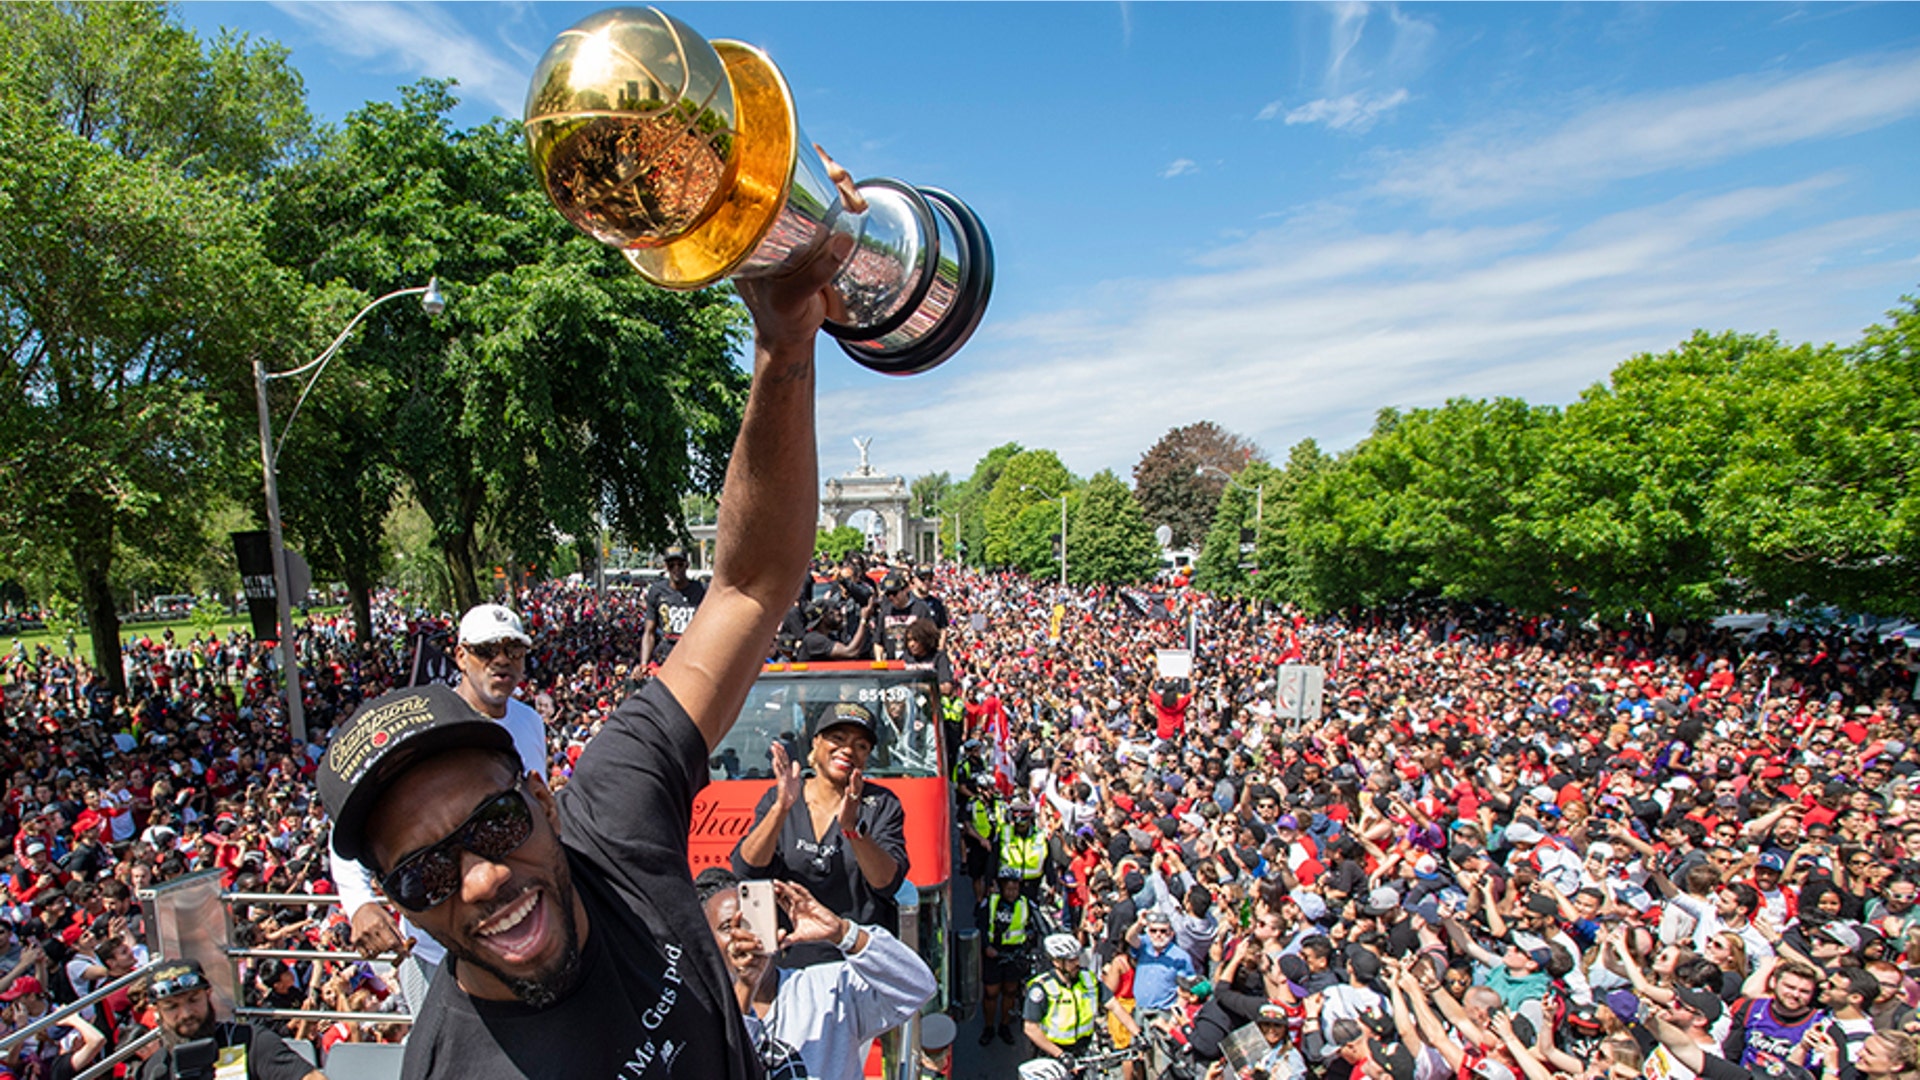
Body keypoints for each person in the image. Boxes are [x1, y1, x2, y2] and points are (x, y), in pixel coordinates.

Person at [315, 197, 856, 1080]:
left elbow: (750, 589)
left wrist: (786, 344)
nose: (482, 881)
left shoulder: (617, 818)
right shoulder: (451, 1070)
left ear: (542, 797)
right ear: (399, 908)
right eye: (425, 876)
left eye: (493, 824)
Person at [329, 602, 548, 1011]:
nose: (502, 661)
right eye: (486, 650)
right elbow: (348, 829)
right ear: (461, 655)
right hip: (439, 951)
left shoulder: (529, 722)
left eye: (514, 651)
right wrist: (360, 904)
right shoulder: (417, 725)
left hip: (517, 931)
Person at [696, 869, 934, 1080]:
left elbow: (917, 986)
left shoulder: (826, 989)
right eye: (728, 927)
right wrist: (746, 988)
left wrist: (844, 933)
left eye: (751, 921)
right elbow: (719, 1064)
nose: (743, 935)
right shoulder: (694, 1011)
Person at [732, 701, 909, 967]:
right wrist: (782, 808)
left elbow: (886, 883)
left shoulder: (883, 804)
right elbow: (746, 867)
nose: (848, 749)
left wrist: (853, 830)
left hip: (859, 965)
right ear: (816, 742)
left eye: (861, 745)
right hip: (789, 964)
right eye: (837, 738)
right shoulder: (780, 797)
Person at [132, 958, 321, 1080]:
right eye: (172, 1007)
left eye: (193, 1000)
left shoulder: (251, 1041)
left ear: (208, 994)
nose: (186, 1013)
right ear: (156, 1011)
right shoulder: (155, 1070)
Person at [980, 866, 1038, 1047]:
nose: (1012, 893)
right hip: (994, 955)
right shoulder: (989, 903)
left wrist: (1030, 937)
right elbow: (980, 927)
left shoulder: (1025, 904)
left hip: (1015, 955)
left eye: (1015, 889)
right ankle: (989, 1027)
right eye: (1008, 889)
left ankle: (1004, 1024)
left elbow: (1033, 925)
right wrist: (986, 947)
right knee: (991, 993)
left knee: (1010, 991)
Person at [1024, 933, 1100, 1062]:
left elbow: (1113, 1004)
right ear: (1057, 962)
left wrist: (1137, 1034)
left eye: (1077, 958)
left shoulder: (1087, 979)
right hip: (1052, 1052)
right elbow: (1030, 1028)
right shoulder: (1042, 988)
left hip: (1081, 1049)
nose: (1077, 963)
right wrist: (1060, 1055)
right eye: (1071, 960)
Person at [640, 547, 706, 670]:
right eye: (671, 565)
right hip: (666, 658)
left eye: (680, 564)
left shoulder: (702, 590)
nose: (676, 569)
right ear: (666, 566)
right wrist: (644, 663)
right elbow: (649, 632)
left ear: (687, 565)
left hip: (694, 657)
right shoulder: (656, 591)